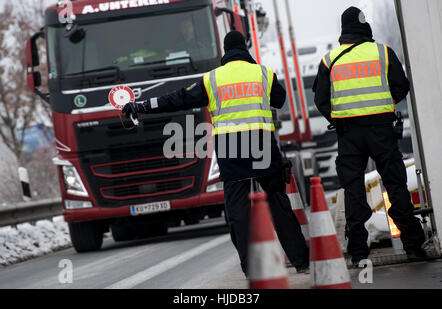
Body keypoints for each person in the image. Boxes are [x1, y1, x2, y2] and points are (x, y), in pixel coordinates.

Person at [122, 30, 309, 276]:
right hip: (262, 144)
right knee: (279, 205)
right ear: (245, 50)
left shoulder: (212, 79)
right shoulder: (263, 73)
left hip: (231, 149)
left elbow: (178, 99)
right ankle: (301, 261)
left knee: (238, 212)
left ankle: (251, 268)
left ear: (225, 52)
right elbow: (280, 100)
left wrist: (141, 106)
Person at [313, 7, 426, 266]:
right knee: (395, 184)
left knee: (353, 189)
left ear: (344, 29)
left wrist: (338, 118)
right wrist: (384, 106)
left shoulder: (330, 60)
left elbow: (320, 99)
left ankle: (358, 252)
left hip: (348, 133)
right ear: (365, 27)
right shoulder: (383, 53)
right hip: (381, 130)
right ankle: (413, 246)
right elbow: (401, 86)